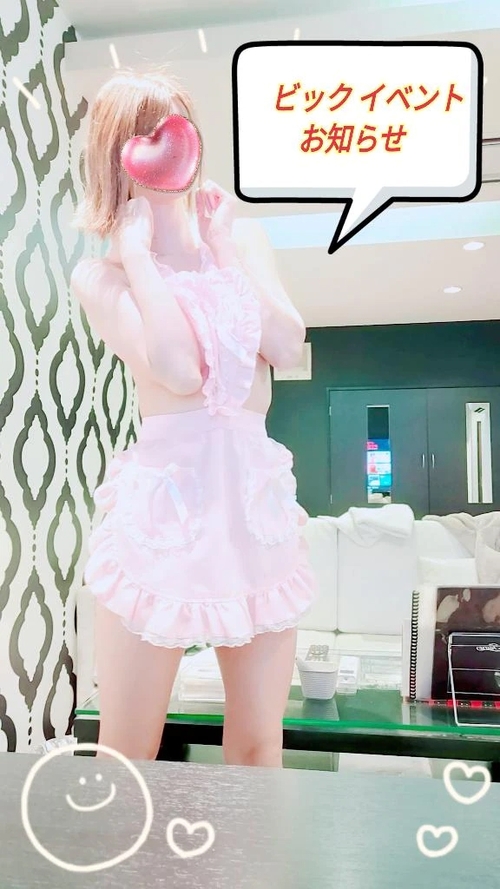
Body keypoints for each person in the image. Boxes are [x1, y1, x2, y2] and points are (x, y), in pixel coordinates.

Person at [70, 67, 316, 766]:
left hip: (253, 505)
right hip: (163, 514)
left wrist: (224, 249)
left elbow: (286, 342)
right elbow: (178, 369)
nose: (166, 142)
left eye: (173, 125)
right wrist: (140, 258)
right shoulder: (103, 274)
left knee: (259, 746)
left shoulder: (242, 241)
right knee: (127, 751)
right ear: (117, 154)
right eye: (143, 131)